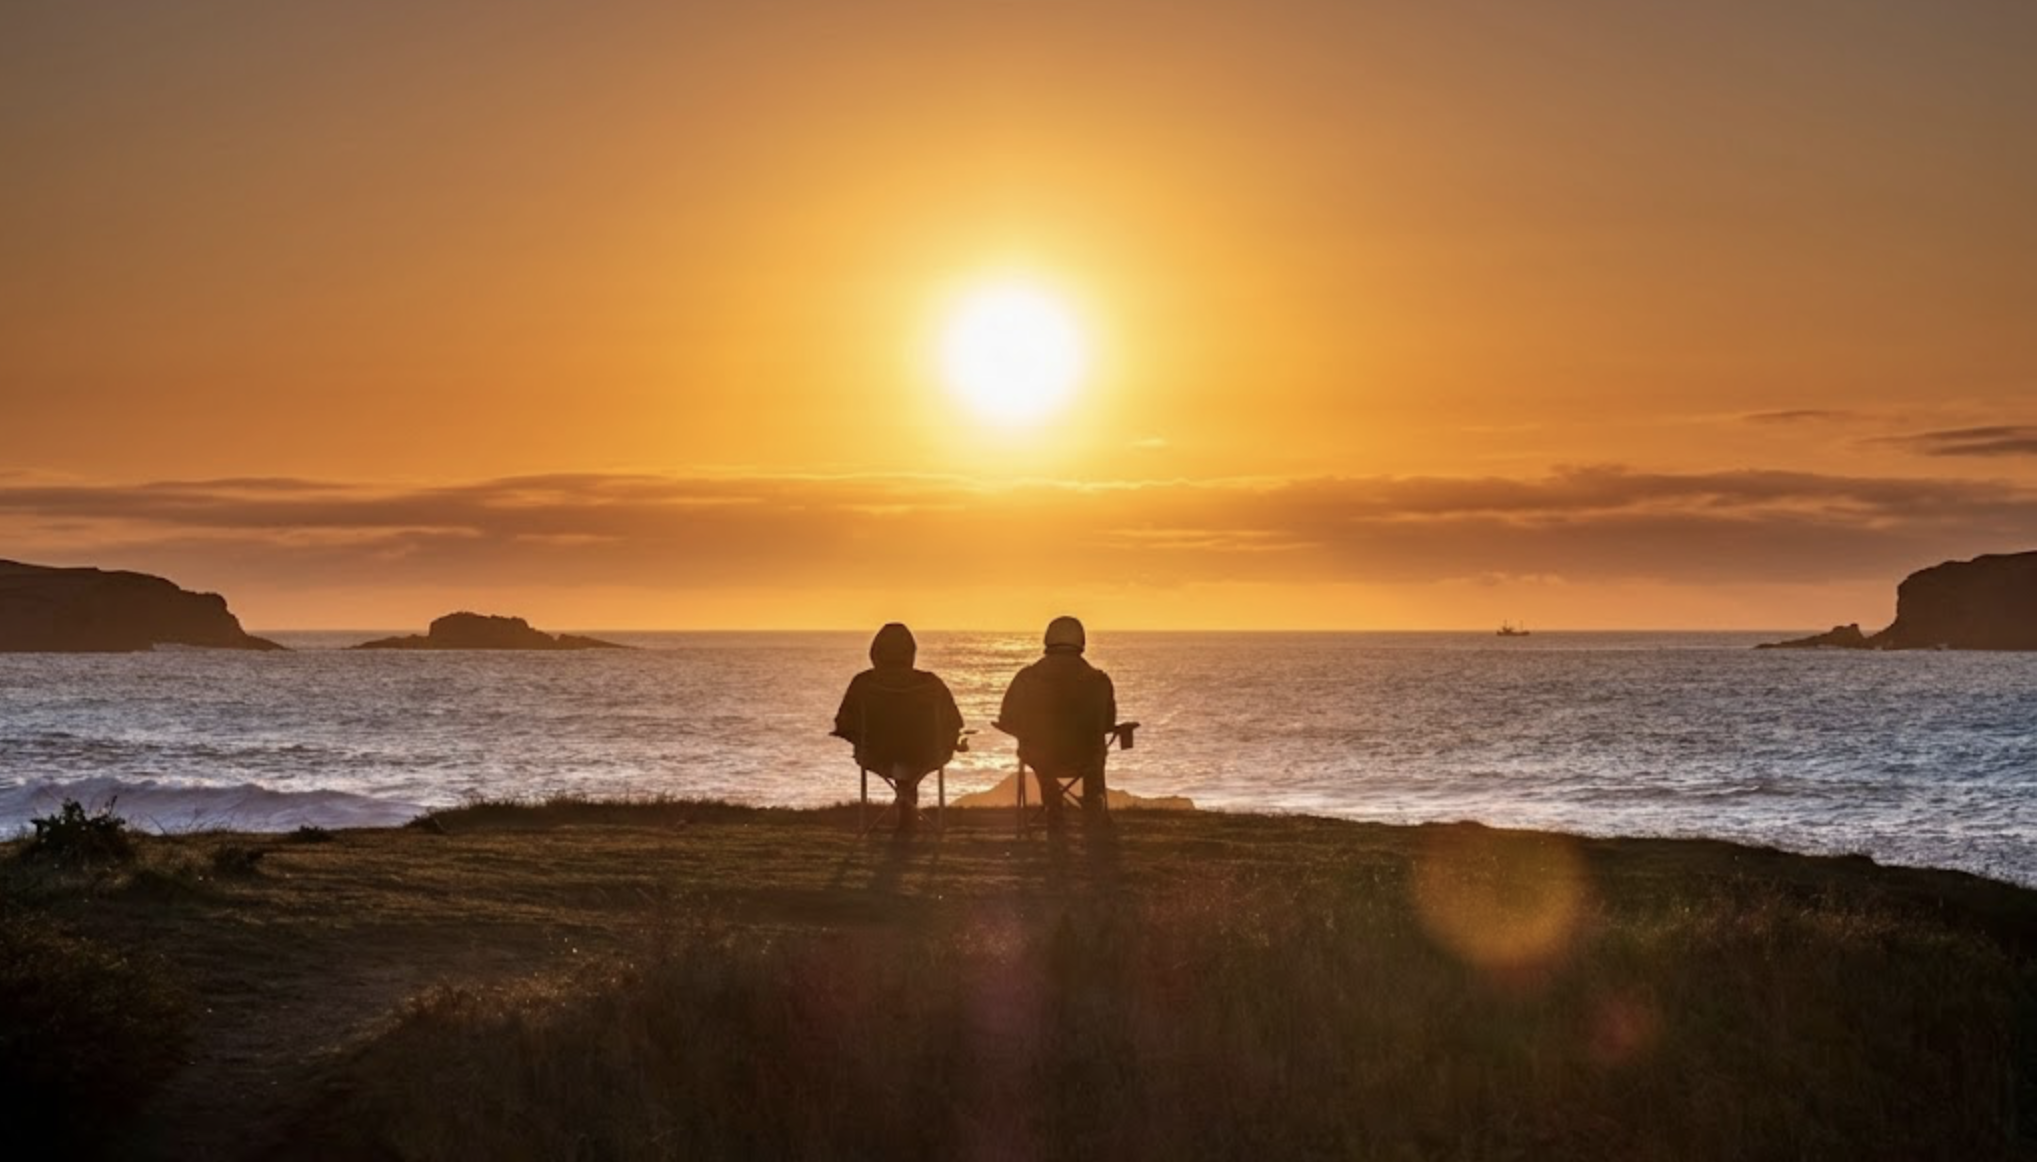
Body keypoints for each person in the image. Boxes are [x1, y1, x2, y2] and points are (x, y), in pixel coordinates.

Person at [832, 623, 964, 835]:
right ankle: (908, 814)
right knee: (910, 762)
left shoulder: (863, 683)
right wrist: (951, 742)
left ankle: (906, 812)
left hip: (877, 754)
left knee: (902, 761)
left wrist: (859, 740)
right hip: (927, 754)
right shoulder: (931, 684)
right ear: (911, 652)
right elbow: (954, 722)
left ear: (875, 652)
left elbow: (844, 724)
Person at [997, 615, 1119, 826]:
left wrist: (1026, 732)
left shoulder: (1027, 678)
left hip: (1042, 756)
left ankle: (1053, 803)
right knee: (1095, 756)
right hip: (1087, 757)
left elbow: (1008, 720)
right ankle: (1092, 806)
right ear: (1081, 642)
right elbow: (1108, 724)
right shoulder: (1099, 680)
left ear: (1047, 640)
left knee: (1040, 757)